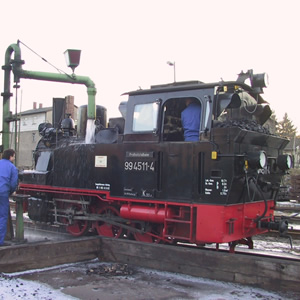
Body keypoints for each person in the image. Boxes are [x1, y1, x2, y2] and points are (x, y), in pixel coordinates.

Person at [0, 149, 18, 246]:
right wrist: (10, 192)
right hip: (3, 193)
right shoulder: (12, 167)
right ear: (10, 156)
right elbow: (13, 183)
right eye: (14, 156)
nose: (14, 158)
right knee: (2, 217)